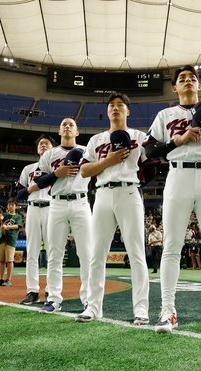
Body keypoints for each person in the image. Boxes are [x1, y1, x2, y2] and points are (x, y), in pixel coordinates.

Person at [143, 65, 201, 335]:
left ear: (199, 86)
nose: (187, 81)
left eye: (192, 78)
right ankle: (168, 310)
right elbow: (150, 150)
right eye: (182, 79)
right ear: (174, 87)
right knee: (172, 246)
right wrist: (179, 140)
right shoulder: (165, 115)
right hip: (178, 176)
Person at [76, 92, 158, 325]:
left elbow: (152, 165)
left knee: (136, 253)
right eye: (111, 105)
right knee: (97, 254)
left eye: (120, 105)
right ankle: (93, 307)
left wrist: (137, 182)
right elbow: (84, 171)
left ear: (127, 111)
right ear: (107, 111)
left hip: (129, 191)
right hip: (102, 193)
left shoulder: (139, 136)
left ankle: (141, 310)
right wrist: (107, 161)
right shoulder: (96, 140)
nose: (115, 108)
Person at [35, 117, 93, 314]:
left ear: (77, 132)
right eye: (64, 125)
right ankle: (53, 298)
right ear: (59, 131)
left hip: (81, 201)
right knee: (54, 254)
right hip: (57, 203)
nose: (67, 127)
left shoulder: (87, 150)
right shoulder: (50, 154)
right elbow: (39, 181)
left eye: (71, 125)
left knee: (86, 254)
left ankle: (88, 299)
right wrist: (57, 173)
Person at [17, 134, 55, 305]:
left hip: (52, 208)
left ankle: (51, 290)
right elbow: (18, 194)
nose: (43, 145)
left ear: (53, 148)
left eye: (47, 143)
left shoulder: (57, 166)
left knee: (53, 253)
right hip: (32, 208)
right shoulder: (28, 169)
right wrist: (34, 187)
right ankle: (32, 291)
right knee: (32, 252)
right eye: (41, 143)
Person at [0, 198, 22, 286]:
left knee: (9, 260)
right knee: (1, 260)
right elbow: (1, 217)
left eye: (12, 205)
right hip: (1, 239)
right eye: (9, 205)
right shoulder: (5, 215)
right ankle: (1, 279)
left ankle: (9, 279)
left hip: (11, 239)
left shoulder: (18, 216)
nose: (10, 206)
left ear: (16, 207)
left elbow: (17, 226)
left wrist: (7, 227)